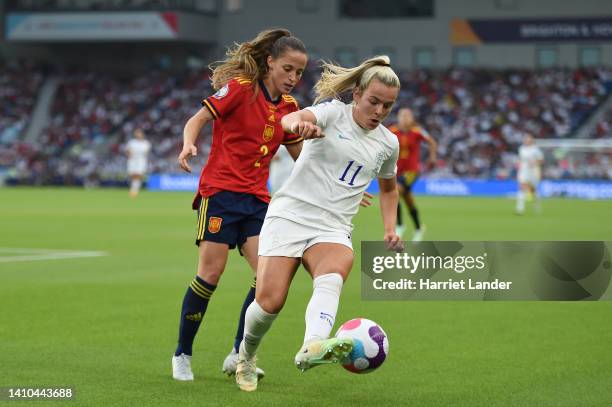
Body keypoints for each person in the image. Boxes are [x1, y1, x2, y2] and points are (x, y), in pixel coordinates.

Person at [235, 55, 402, 392]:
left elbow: (389, 188)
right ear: (356, 94)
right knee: (270, 303)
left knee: (333, 275)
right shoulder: (331, 114)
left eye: (388, 105)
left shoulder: (389, 143)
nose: (380, 111)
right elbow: (290, 119)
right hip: (290, 215)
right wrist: (298, 125)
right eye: (374, 101)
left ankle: (314, 345)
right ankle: (246, 356)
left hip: (333, 227)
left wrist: (389, 228)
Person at [171, 28, 309, 382]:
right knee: (210, 275)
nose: (293, 78)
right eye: (288, 69)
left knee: (266, 277)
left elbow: (303, 160)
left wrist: (339, 185)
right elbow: (198, 119)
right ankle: (182, 355)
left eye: (299, 72)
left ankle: (238, 354)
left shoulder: (291, 110)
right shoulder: (240, 90)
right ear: (270, 63)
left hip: (257, 201)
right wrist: (188, 144)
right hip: (220, 194)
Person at [389, 107, 437, 241]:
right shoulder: (392, 131)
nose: (405, 118)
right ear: (398, 117)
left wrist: (432, 157)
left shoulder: (417, 131)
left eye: (407, 116)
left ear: (412, 118)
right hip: (396, 171)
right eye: (402, 116)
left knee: (396, 191)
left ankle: (399, 225)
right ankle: (418, 228)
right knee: (408, 200)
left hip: (412, 171)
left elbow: (432, 142)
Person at [515, 133, 543, 215]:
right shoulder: (521, 148)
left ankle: (537, 205)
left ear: (532, 140)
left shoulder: (535, 149)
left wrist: (534, 163)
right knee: (522, 187)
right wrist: (518, 165)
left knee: (533, 189)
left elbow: (541, 160)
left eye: (529, 139)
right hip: (523, 170)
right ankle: (520, 209)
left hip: (533, 171)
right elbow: (520, 159)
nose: (527, 140)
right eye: (526, 139)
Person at [125, 128, 151, 197]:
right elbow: (127, 150)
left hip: (141, 161)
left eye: (139, 133)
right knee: (132, 175)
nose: (138, 135)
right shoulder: (132, 142)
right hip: (132, 160)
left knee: (139, 174)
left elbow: (146, 152)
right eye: (137, 133)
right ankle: (133, 187)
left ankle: (134, 190)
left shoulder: (146, 143)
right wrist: (129, 154)